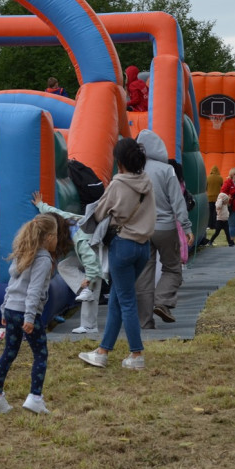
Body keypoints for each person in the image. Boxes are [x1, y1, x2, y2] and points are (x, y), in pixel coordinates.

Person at [79, 137, 156, 371]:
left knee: (126, 301)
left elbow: (100, 213)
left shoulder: (117, 184)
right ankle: (103, 351)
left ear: (119, 162)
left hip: (122, 246)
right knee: (117, 298)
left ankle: (136, 354)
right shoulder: (147, 182)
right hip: (143, 247)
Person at [0, 214, 59, 415]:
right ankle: (35, 398)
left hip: (11, 310)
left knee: (9, 352)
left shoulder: (23, 254)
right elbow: (33, 291)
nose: (57, 240)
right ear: (49, 237)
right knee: (40, 353)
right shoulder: (43, 260)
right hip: (26, 313)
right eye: (57, 236)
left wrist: (4, 309)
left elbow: (12, 284)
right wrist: (30, 318)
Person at [135, 129, 193, 328]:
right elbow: (178, 201)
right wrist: (186, 227)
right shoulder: (166, 170)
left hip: (141, 229)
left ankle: (145, 322)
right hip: (165, 227)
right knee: (173, 268)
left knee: (144, 274)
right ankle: (162, 301)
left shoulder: (134, 170)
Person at [33, 194, 103, 334]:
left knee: (93, 284)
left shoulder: (79, 238)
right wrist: (41, 205)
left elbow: (91, 261)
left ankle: (89, 325)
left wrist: (88, 279)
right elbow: (56, 212)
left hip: (98, 258)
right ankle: (85, 293)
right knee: (64, 266)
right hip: (93, 254)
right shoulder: (65, 220)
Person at [204, 166, 223, 245]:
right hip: (217, 197)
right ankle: (215, 225)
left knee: (209, 212)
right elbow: (222, 185)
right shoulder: (220, 178)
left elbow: (205, 187)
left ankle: (209, 225)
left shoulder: (208, 178)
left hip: (209, 197)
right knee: (216, 212)